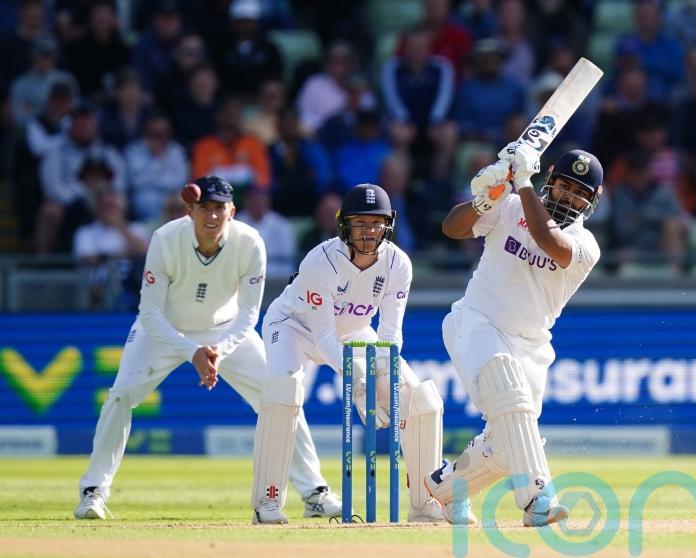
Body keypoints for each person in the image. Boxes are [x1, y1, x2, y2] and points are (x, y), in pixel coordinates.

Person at [74, 176, 341, 521]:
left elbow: (248, 314)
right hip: (163, 331)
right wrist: (192, 352)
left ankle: (314, 493)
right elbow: (150, 313)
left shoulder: (250, 243)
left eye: (219, 208)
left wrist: (216, 348)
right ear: (190, 210)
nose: (211, 216)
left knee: (281, 395)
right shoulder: (165, 239)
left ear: (232, 211)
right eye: (205, 208)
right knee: (121, 395)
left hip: (227, 331)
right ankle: (93, 491)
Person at [425, 142, 604, 527]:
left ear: (592, 201)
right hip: (476, 321)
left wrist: (521, 181)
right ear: (552, 180)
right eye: (564, 186)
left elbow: (547, 240)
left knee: (509, 446)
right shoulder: (508, 205)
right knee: (509, 393)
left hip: (532, 345)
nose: (569, 196)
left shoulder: (586, 246)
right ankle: (538, 500)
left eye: (579, 193)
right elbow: (451, 228)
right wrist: (484, 199)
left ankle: (448, 488)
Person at [251, 184, 445, 524]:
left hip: (355, 330)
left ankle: (424, 502)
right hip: (294, 325)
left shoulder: (398, 263)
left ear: (388, 225)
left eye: (376, 223)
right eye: (360, 223)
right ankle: (267, 503)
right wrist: (358, 376)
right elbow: (324, 336)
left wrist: (383, 375)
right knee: (284, 391)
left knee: (417, 397)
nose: (368, 231)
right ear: (344, 225)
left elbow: (389, 334)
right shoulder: (320, 262)